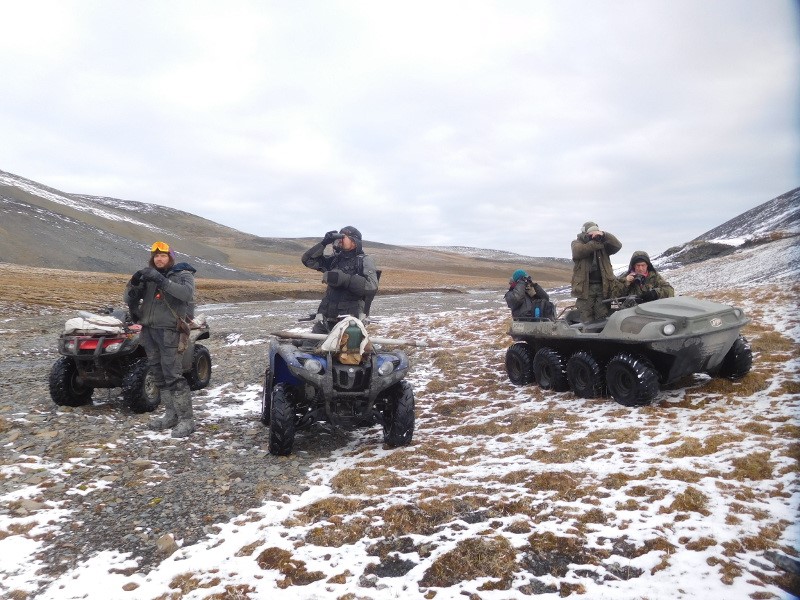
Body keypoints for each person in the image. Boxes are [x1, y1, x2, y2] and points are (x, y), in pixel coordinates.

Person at [124, 241, 197, 438]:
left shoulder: (183, 275)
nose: (159, 259)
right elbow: (129, 298)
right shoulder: (149, 277)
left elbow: (186, 294)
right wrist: (134, 285)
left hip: (170, 332)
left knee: (173, 375)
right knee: (159, 375)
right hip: (149, 331)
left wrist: (161, 281)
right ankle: (170, 416)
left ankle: (186, 420)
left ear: (171, 257)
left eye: (163, 255)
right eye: (156, 256)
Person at [301, 226, 379, 334]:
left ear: (354, 241)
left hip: (350, 322)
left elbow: (371, 288)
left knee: (344, 350)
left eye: (343, 237)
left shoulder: (363, 261)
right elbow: (308, 260)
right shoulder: (335, 259)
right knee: (310, 346)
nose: (340, 240)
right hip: (326, 318)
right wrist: (324, 243)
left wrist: (345, 279)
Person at [571, 221, 622, 322]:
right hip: (585, 288)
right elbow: (578, 252)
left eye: (596, 232)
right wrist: (594, 242)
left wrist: (604, 235)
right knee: (584, 316)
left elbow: (618, 245)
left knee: (602, 316)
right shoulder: (577, 243)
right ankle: (585, 336)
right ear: (584, 234)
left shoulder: (604, 244)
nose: (594, 235)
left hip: (603, 287)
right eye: (591, 233)